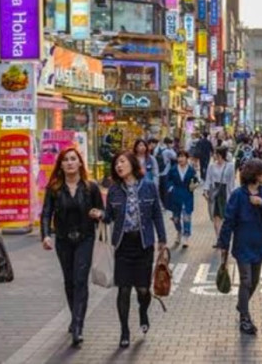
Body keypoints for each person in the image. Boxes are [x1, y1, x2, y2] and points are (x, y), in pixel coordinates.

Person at [41, 147, 104, 347]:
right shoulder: (54, 188)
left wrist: (97, 213)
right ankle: (74, 316)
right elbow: (46, 213)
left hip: (85, 238)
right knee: (69, 281)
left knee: (80, 279)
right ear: (60, 165)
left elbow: (101, 210)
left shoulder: (90, 187)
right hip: (63, 239)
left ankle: (78, 325)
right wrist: (45, 236)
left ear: (79, 163)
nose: (69, 162)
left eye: (73, 159)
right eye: (65, 160)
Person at [103, 152, 168, 348]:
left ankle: (143, 311)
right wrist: (99, 214)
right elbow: (109, 217)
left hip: (143, 244)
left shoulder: (148, 186)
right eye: (116, 164)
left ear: (132, 163)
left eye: (122, 162)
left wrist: (162, 239)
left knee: (142, 290)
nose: (118, 166)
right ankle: (124, 331)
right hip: (123, 245)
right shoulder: (113, 190)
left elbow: (157, 213)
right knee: (123, 290)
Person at [217, 159, 262, 335]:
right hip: (242, 243)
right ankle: (245, 318)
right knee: (246, 280)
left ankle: (241, 305)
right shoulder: (238, 195)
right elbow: (229, 220)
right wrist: (223, 244)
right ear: (255, 174)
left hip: (260, 242)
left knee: (255, 280)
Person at [203, 146, 235, 245]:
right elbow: (208, 178)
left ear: (220, 155)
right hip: (214, 192)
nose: (214, 156)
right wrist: (205, 190)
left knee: (224, 217)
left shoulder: (230, 166)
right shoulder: (211, 166)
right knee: (215, 216)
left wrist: (232, 195)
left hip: (225, 192)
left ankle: (224, 237)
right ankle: (219, 239)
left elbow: (231, 182)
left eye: (216, 154)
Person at [167, 151, 199, 248]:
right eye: (179, 157)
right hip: (176, 195)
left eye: (182, 157)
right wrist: (171, 188)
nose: (180, 159)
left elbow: (195, 180)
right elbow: (168, 180)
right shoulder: (173, 169)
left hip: (187, 195)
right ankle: (179, 232)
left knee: (186, 217)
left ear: (187, 158)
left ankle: (186, 236)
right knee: (176, 218)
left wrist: (194, 185)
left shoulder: (191, 170)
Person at [156, 137, 177, 210]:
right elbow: (176, 157)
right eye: (171, 143)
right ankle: (166, 205)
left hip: (158, 172)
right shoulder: (168, 151)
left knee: (160, 189)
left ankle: (161, 204)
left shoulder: (158, 149)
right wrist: (172, 149)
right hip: (166, 172)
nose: (172, 145)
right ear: (168, 143)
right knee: (165, 189)